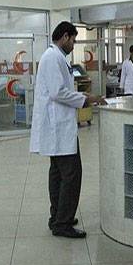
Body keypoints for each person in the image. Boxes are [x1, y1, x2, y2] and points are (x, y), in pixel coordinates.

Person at [30, 21, 106, 238]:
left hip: (58, 126)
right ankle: (62, 223)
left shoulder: (55, 57)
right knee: (71, 174)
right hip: (58, 127)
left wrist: (82, 96)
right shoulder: (53, 57)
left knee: (58, 174)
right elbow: (58, 92)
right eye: (73, 40)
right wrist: (86, 99)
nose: (73, 44)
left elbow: (60, 90)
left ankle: (58, 217)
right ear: (64, 37)